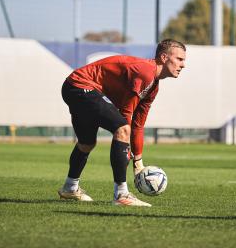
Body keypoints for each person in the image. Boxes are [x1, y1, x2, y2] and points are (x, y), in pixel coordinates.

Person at [58, 39, 186, 207]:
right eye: (179, 59)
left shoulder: (153, 87)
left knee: (86, 143)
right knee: (122, 129)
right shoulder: (146, 72)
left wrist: (138, 162)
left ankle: (70, 187)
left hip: (73, 87)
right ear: (163, 57)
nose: (183, 65)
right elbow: (127, 117)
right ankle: (121, 194)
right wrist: (126, 138)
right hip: (81, 85)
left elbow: (138, 125)